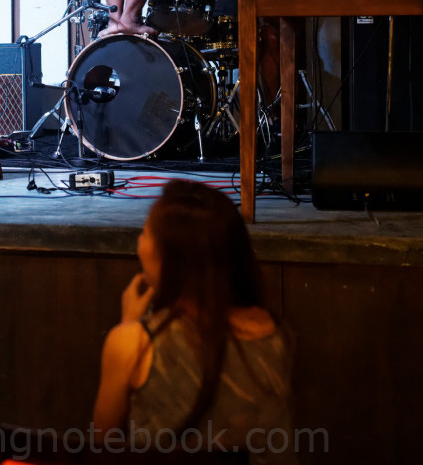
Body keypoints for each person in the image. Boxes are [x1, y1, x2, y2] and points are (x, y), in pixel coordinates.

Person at [93, 180, 296, 461]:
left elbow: (102, 448)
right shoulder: (274, 332)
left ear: (168, 257)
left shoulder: (132, 343)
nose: (139, 242)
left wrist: (128, 326)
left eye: (145, 232)